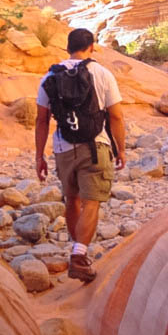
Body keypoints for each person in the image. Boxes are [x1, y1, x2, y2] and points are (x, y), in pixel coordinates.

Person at [35, 28, 126, 283]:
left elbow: (41, 120)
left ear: (67, 47)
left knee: (72, 199)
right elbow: (116, 115)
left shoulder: (50, 76)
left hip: (64, 147)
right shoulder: (102, 73)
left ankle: (79, 252)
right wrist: (121, 149)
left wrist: (39, 156)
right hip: (95, 146)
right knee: (92, 201)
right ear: (92, 47)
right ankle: (79, 255)